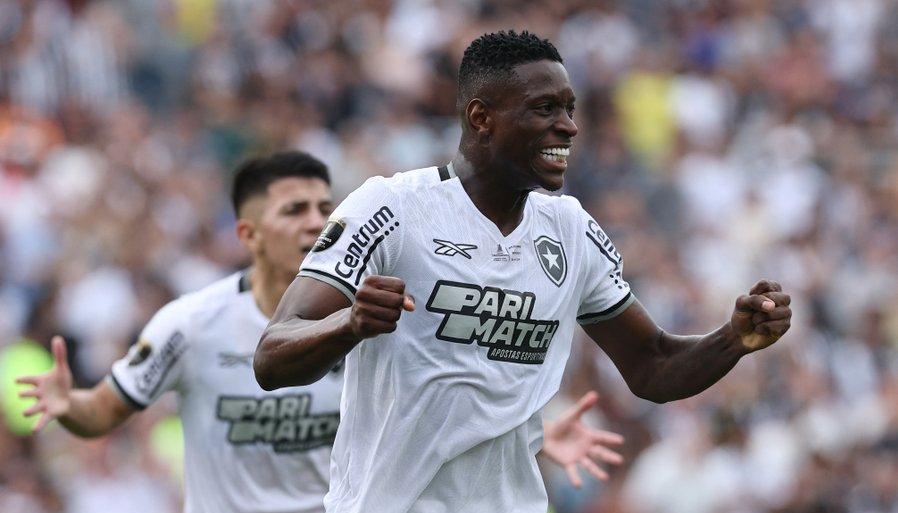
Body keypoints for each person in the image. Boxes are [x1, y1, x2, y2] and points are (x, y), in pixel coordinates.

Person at [254, 30, 792, 513]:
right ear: (481, 118)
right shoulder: (392, 207)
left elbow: (651, 365)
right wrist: (348, 324)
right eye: (544, 109)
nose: (569, 126)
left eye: (569, 108)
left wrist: (732, 340)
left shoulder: (569, 228)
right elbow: (273, 355)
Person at [16, 151, 626, 513]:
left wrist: (536, 437)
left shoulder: (378, 313)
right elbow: (104, 411)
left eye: (322, 208)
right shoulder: (193, 323)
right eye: (293, 211)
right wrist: (68, 405)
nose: (316, 222)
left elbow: (423, 417)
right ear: (248, 236)